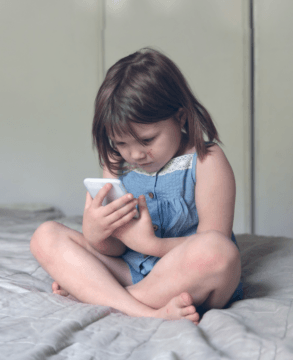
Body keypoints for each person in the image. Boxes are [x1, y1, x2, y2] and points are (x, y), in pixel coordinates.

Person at [30, 47, 242, 324]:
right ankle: (145, 310)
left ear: (179, 118)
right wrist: (96, 234)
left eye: (147, 140)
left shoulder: (206, 160)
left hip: (187, 275)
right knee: (45, 236)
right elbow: (116, 249)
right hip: (129, 268)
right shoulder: (117, 163)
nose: (135, 155)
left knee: (219, 252)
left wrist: (152, 245)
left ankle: (99, 295)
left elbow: (212, 240)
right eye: (120, 144)